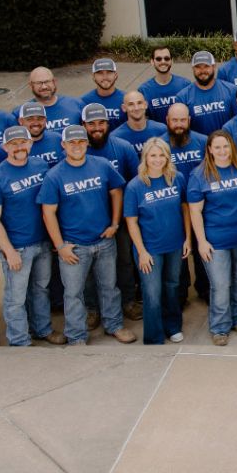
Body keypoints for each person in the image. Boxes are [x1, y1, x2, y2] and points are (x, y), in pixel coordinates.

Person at [38, 125, 135, 345]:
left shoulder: (102, 165)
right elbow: (48, 212)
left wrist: (115, 223)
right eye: (71, 142)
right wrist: (60, 246)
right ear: (63, 145)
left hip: (104, 240)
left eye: (81, 142)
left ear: (87, 143)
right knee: (73, 293)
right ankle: (76, 335)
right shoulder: (54, 175)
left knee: (109, 287)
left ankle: (114, 325)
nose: (77, 146)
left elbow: (116, 191)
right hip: (74, 246)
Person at [0, 126, 61, 346]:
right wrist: (8, 251)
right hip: (17, 246)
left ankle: (42, 329)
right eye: (13, 144)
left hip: (42, 242)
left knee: (41, 290)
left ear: (30, 143)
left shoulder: (41, 166)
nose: (19, 147)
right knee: (16, 297)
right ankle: (19, 339)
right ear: (5, 147)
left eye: (22, 142)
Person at [188, 130, 237, 346]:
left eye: (226, 146)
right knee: (220, 284)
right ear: (210, 149)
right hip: (215, 240)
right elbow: (195, 211)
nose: (222, 151)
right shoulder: (199, 175)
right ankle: (219, 327)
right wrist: (201, 242)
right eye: (217, 147)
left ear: (232, 147)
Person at [123, 137, 191, 344]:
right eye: (153, 155)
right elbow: (132, 222)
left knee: (172, 286)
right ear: (145, 157)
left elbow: (185, 209)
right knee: (152, 293)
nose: (158, 159)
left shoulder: (176, 178)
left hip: (175, 245)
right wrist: (141, 251)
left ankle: (173, 326)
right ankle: (154, 337)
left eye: (162, 155)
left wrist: (188, 239)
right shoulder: (135, 186)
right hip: (150, 249)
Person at [82, 103, 142, 322]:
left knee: (124, 261)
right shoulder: (78, 150)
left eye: (101, 123)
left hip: (122, 218)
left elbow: (136, 183)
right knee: (89, 268)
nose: (97, 128)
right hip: (89, 220)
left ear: (108, 124)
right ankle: (92, 309)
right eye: (91, 124)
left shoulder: (123, 147)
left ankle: (128, 301)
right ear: (83, 125)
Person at [165, 103, 210, 305]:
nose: (179, 124)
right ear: (167, 121)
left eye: (183, 120)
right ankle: (180, 294)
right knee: (179, 255)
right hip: (173, 209)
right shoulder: (160, 146)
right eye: (174, 120)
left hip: (201, 207)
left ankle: (205, 289)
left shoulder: (203, 141)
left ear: (189, 121)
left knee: (202, 250)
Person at [179, 51, 237, 135]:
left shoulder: (231, 90)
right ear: (193, 68)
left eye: (206, 66)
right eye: (198, 67)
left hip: (226, 142)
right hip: (198, 143)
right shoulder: (183, 97)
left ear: (214, 67)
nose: (202, 71)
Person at [0, 102, 62, 168]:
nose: (35, 123)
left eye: (40, 119)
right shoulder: (5, 148)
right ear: (21, 121)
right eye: (30, 119)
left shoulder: (57, 139)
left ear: (45, 120)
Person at [139, 45, 191, 124]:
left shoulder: (185, 85)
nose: (163, 61)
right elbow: (142, 119)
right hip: (156, 132)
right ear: (152, 62)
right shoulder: (144, 90)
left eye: (166, 58)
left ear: (172, 61)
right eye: (158, 59)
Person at [25, 66, 84, 135]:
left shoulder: (76, 104)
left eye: (47, 81)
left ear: (54, 82)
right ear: (31, 85)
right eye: (39, 83)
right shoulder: (22, 112)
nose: (44, 87)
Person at [111, 90, 167, 158]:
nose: (136, 108)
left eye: (139, 103)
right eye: (131, 104)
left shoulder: (162, 130)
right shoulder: (116, 138)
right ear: (124, 108)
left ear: (145, 104)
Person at [80, 58, 126, 130]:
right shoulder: (84, 101)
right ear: (93, 77)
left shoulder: (126, 99)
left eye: (109, 72)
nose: (105, 77)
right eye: (100, 73)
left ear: (116, 75)